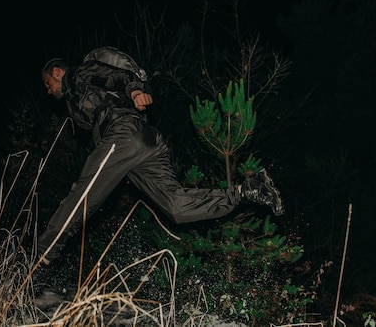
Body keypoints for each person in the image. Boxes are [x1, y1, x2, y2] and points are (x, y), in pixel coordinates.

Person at [37, 46, 284, 264]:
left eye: (47, 84)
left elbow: (116, 76)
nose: (48, 91)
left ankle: (43, 251)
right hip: (146, 140)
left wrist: (134, 90)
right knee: (176, 207)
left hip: (123, 134)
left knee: (83, 194)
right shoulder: (78, 97)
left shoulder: (77, 74)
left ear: (57, 71)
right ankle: (248, 190)